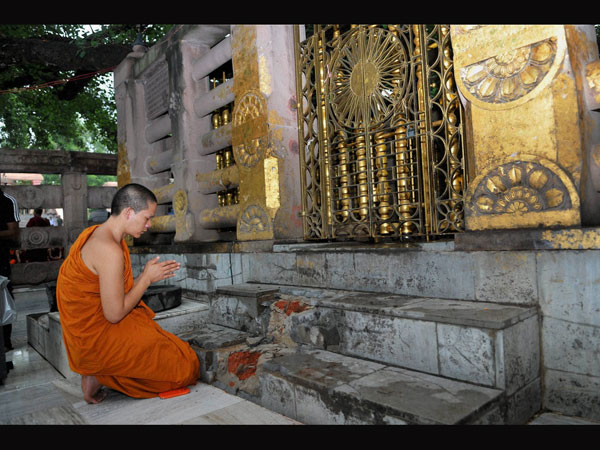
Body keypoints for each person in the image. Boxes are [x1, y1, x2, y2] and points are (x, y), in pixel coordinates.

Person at [56, 183, 199, 403]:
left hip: (97, 327)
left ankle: (99, 372)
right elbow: (113, 314)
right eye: (147, 218)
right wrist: (146, 278)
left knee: (171, 347)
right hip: (97, 337)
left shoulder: (97, 233)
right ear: (129, 212)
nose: (149, 225)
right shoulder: (109, 249)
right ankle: (100, 372)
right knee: (185, 366)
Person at [0, 187, 20, 352]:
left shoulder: (7, 200)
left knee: (4, 298)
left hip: (1, 260)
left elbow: (14, 231)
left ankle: (6, 341)